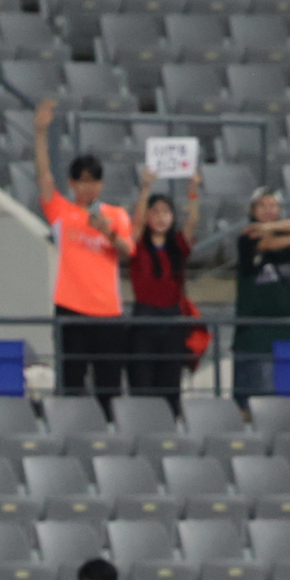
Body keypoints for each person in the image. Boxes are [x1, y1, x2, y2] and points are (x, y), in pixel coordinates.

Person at [33, 100, 134, 413]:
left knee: (109, 387)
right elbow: (43, 174)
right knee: (70, 384)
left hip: (107, 311)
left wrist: (107, 232)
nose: (88, 187)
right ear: (73, 183)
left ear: (102, 184)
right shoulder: (62, 211)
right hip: (71, 308)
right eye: (82, 181)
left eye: (94, 181)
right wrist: (39, 132)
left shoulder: (115, 215)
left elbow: (128, 250)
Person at [128, 170, 201, 414]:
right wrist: (146, 186)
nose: (160, 217)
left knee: (170, 383)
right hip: (144, 319)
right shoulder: (138, 244)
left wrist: (193, 191)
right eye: (155, 212)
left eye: (166, 212)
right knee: (142, 381)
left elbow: (192, 222)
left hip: (172, 319)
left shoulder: (178, 245)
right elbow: (135, 224)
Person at [234, 189, 290, 409]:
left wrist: (270, 227)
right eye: (262, 205)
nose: (268, 210)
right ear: (252, 210)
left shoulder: (286, 236)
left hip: (287, 328)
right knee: (254, 402)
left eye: (273, 205)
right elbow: (266, 244)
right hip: (255, 332)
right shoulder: (246, 235)